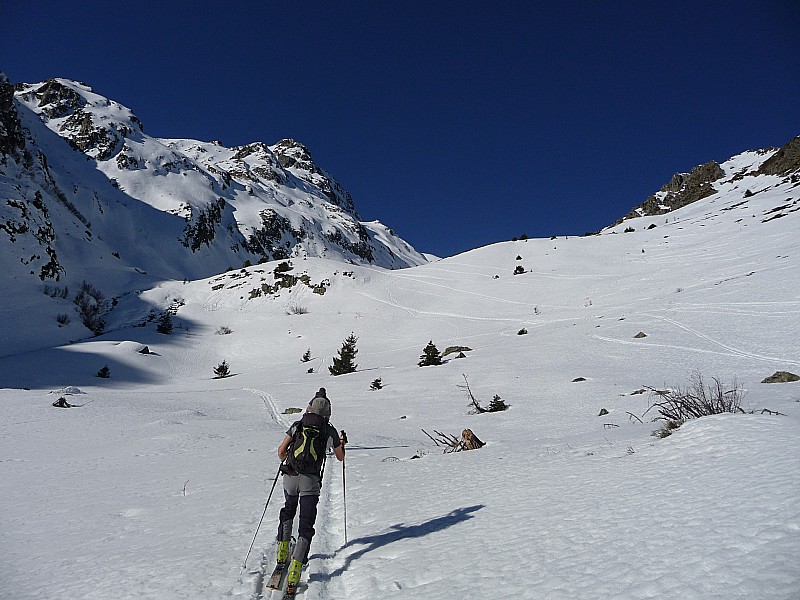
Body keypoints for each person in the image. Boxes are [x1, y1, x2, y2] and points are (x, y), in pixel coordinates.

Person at [276, 387, 345, 591]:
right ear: (328, 412)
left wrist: (288, 460)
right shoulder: (328, 430)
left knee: (288, 511)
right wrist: (341, 443)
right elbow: (340, 457)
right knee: (306, 523)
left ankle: (282, 551)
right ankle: (297, 564)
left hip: (290, 477)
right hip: (311, 482)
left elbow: (281, 452)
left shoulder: (298, 425)